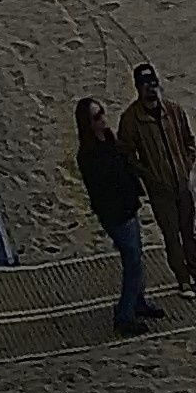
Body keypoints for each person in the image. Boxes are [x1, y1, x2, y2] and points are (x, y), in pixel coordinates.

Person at [120, 61, 196, 298]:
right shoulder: (131, 119)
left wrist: (186, 166)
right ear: (138, 88)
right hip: (160, 191)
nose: (151, 88)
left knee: (189, 233)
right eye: (145, 84)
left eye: (153, 83)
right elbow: (127, 155)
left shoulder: (173, 111)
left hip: (181, 184)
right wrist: (149, 177)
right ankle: (183, 280)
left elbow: (188, 141)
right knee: (172, 236)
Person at [75, 97, 162, 336]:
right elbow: (104, 187)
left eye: (102, 113)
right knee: (132, 262)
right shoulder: (89, 155)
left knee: (136, 257)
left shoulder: (108, 140)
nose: (103, 119)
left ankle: (138, 301)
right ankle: (125, 315)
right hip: (116, 215)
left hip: (127, 207)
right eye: (97, 117)